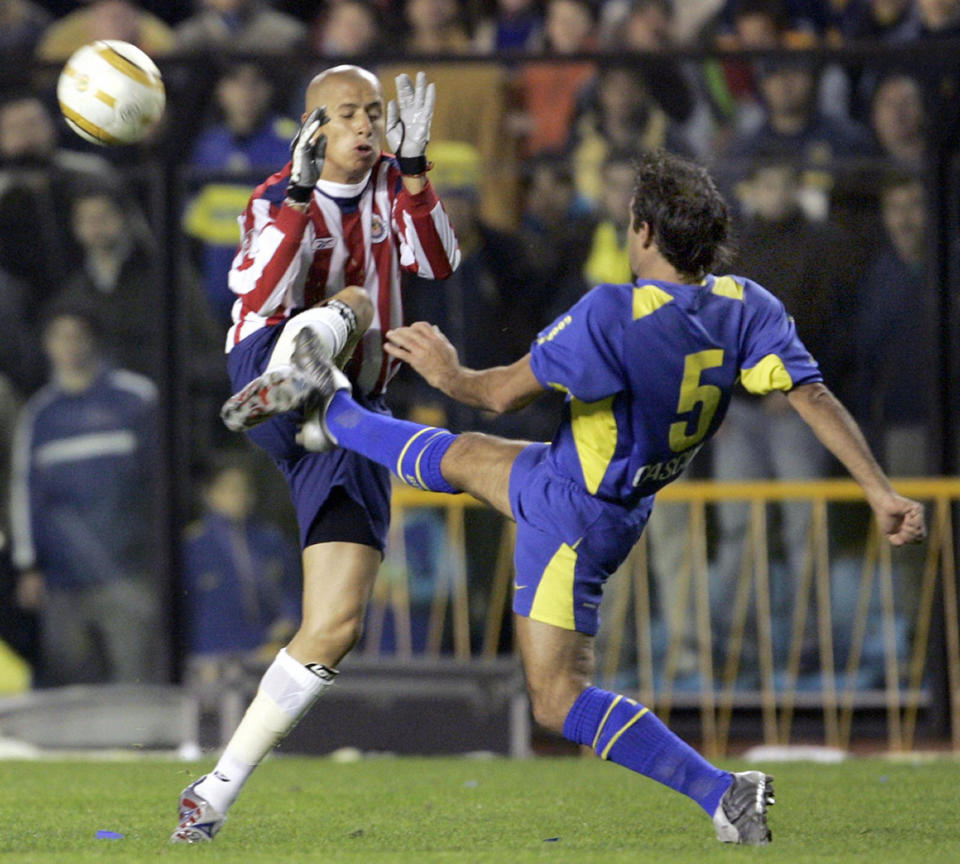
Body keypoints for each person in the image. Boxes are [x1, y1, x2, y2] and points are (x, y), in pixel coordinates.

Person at [230, 149, 926, 845]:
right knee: (468, 459)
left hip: (575, 513)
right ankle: (332, 413)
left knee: (557, 698)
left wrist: (448, 370)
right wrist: (881, 492)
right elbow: (812, 393)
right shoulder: (746, 305)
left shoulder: (614, 313)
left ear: (645, 233)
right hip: (592, 484)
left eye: (629, 222)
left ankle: (723, 791)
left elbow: (497, 395)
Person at [170, 64, 460, 843]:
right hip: (266, 364)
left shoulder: (397, 189)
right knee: (361, 300)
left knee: (334, 625)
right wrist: (298, 199)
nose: (366, 126)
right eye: (346, 115)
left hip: (349, 415)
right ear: (312, 128)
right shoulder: (273, 194)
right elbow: (256, 288)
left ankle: (213, 792)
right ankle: (301, 375)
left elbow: (437, 262)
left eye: (374, 113)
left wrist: (421, 170)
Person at [9, 305, 163, 687]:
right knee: (73, 691)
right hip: (63, 582)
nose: (69, 347)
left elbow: (160, 484)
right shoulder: (39, 415)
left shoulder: (136, 398)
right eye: (60, 337)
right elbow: (24, 491)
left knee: (136, 683)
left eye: (77, 336)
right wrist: (28, 565)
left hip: (129, 573)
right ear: (47, 345)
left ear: (92, 340)